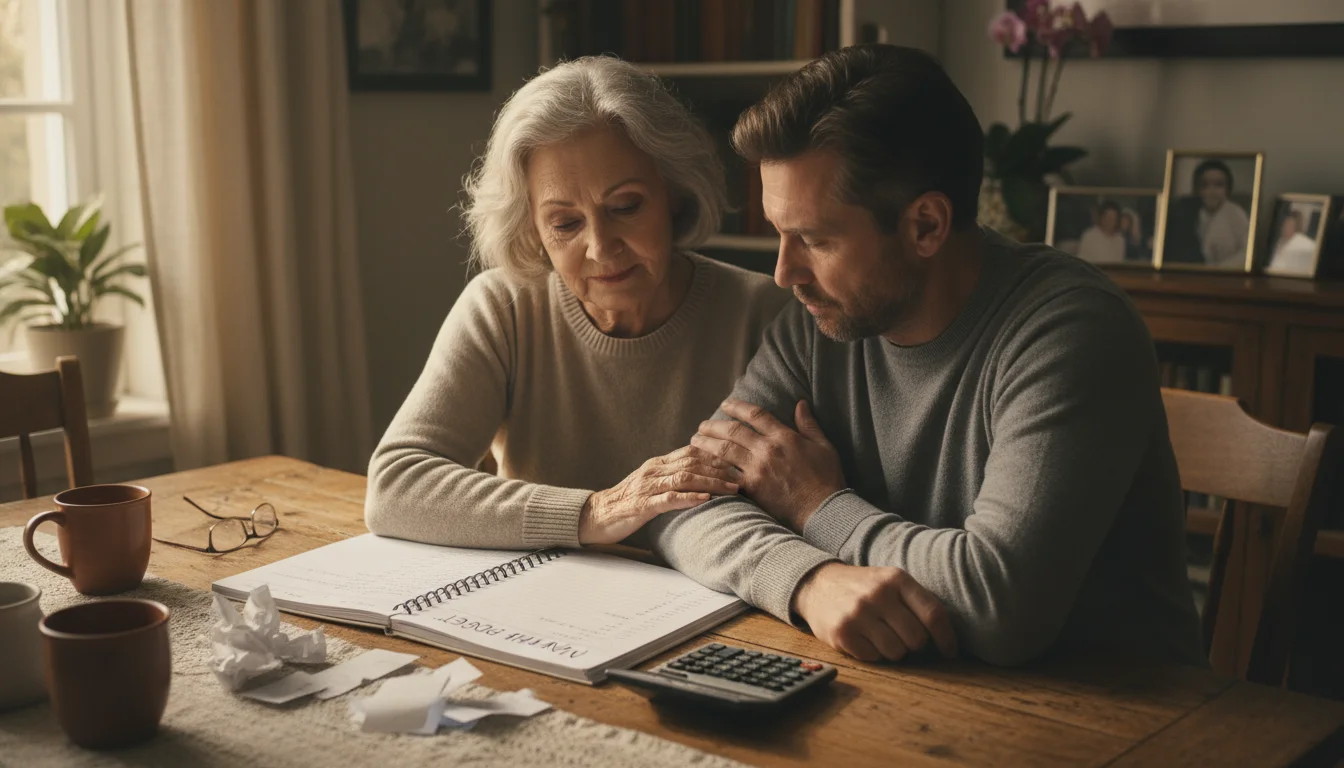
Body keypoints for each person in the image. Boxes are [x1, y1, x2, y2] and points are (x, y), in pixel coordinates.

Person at [642, 45, 1204, 668]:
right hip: (908, 692)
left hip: (1113, 717)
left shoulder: (1070, 330)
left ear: (927, 226)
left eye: (815, 239)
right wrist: (810, 582)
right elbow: (679, 503)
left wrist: (815, 508)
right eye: (780, 233)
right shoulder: (818, 322)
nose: (782, 272)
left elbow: (997, 607)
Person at [364, 56, 791, 550]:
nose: (600, 247)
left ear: (674, 191)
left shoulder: (763, 313)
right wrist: (596, 512)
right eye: (565, 223)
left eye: (625, 207)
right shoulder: (503, 307)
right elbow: (396, 485)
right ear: (533, 228)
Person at [1190, 159, 1250, 268]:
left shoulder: (1236, 213)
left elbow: (1247, 252)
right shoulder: (1191, 214)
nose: (1211, 191)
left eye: (1218, 185)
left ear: (1227, 188)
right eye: (1205, 185)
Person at [1266, 210, 1318, 276]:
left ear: (1296, 226)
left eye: (1289, 225)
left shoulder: (1306, 244)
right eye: (1284, 225)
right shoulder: (1279, 241)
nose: (1285, 228)